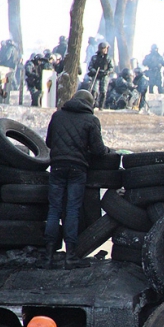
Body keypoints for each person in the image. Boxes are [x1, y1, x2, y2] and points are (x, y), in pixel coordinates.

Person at [44, 90, 111, 268]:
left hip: (57, 166)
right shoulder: (91, 120)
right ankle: (70, 256)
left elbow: (49, 142)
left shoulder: (57, 116)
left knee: (54, 209)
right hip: (77, 168)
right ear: (90, 104)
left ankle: (48, 255)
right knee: (72, 209)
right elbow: (98, 150)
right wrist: (107, 152)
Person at [87, 42, 114, 108]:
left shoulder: (109, 58)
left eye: (104, 48)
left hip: (104, 76)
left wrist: (106, 72)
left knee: (103, 91)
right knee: (94, 90)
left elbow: (111, 68)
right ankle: (92, 105)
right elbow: (90, 66)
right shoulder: (94, 58)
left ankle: (101, 106)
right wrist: (93, 70)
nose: (103, 50)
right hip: (96, 75)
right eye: (102, 48)